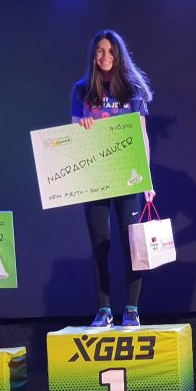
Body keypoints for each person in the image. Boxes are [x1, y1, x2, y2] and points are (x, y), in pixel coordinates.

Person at [71, 30, 154, 328]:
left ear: (119, 55)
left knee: (131, 244)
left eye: (110, 51)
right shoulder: (82, 90)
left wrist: (147, 180)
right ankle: (104, 310)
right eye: (100, 51)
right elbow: (73, 135)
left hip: (128, 175)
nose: (105, 56)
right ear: (93, 55)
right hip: (96, 177)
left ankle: (131, 309)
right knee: (100, 244)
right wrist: (82, 126)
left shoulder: (132, 88)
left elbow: (141, 136)